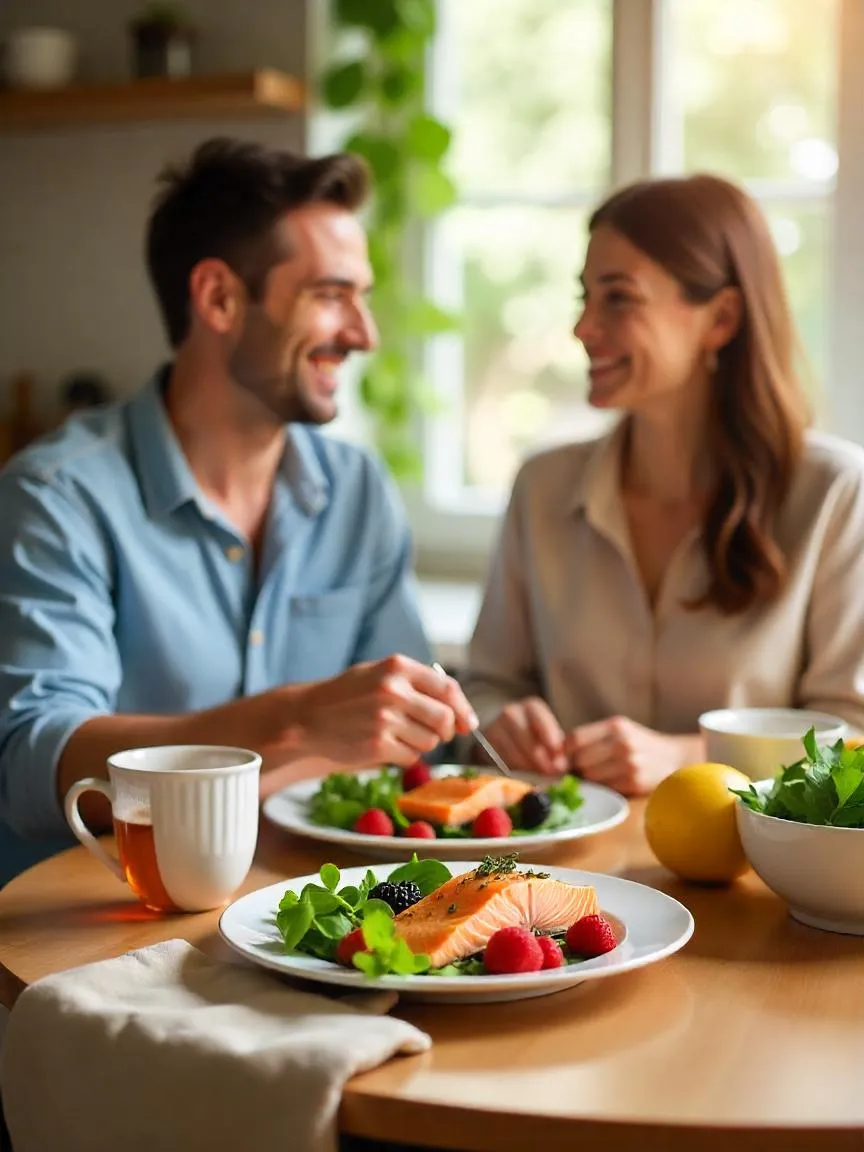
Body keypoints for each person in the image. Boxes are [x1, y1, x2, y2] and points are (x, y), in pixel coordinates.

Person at [0, 137, 476, 876]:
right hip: (93, 928)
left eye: (363, 296)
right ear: (219, 297)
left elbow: (414, 746)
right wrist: (295, 720)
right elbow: (33, 764)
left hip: (297, 915)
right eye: (329, 294)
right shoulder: (58, 495)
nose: (362, 333)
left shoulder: (357, 490)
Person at [462, 173, 864, 796]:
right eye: (584, 297)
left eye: (618, 298)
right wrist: (501, 722)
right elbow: (487, 684)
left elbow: (854, 735)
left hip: (751, 881)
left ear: (721, 318)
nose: (583, 328)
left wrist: (687, 757)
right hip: (562, 872)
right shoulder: (542, 486)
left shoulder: (834, 495)